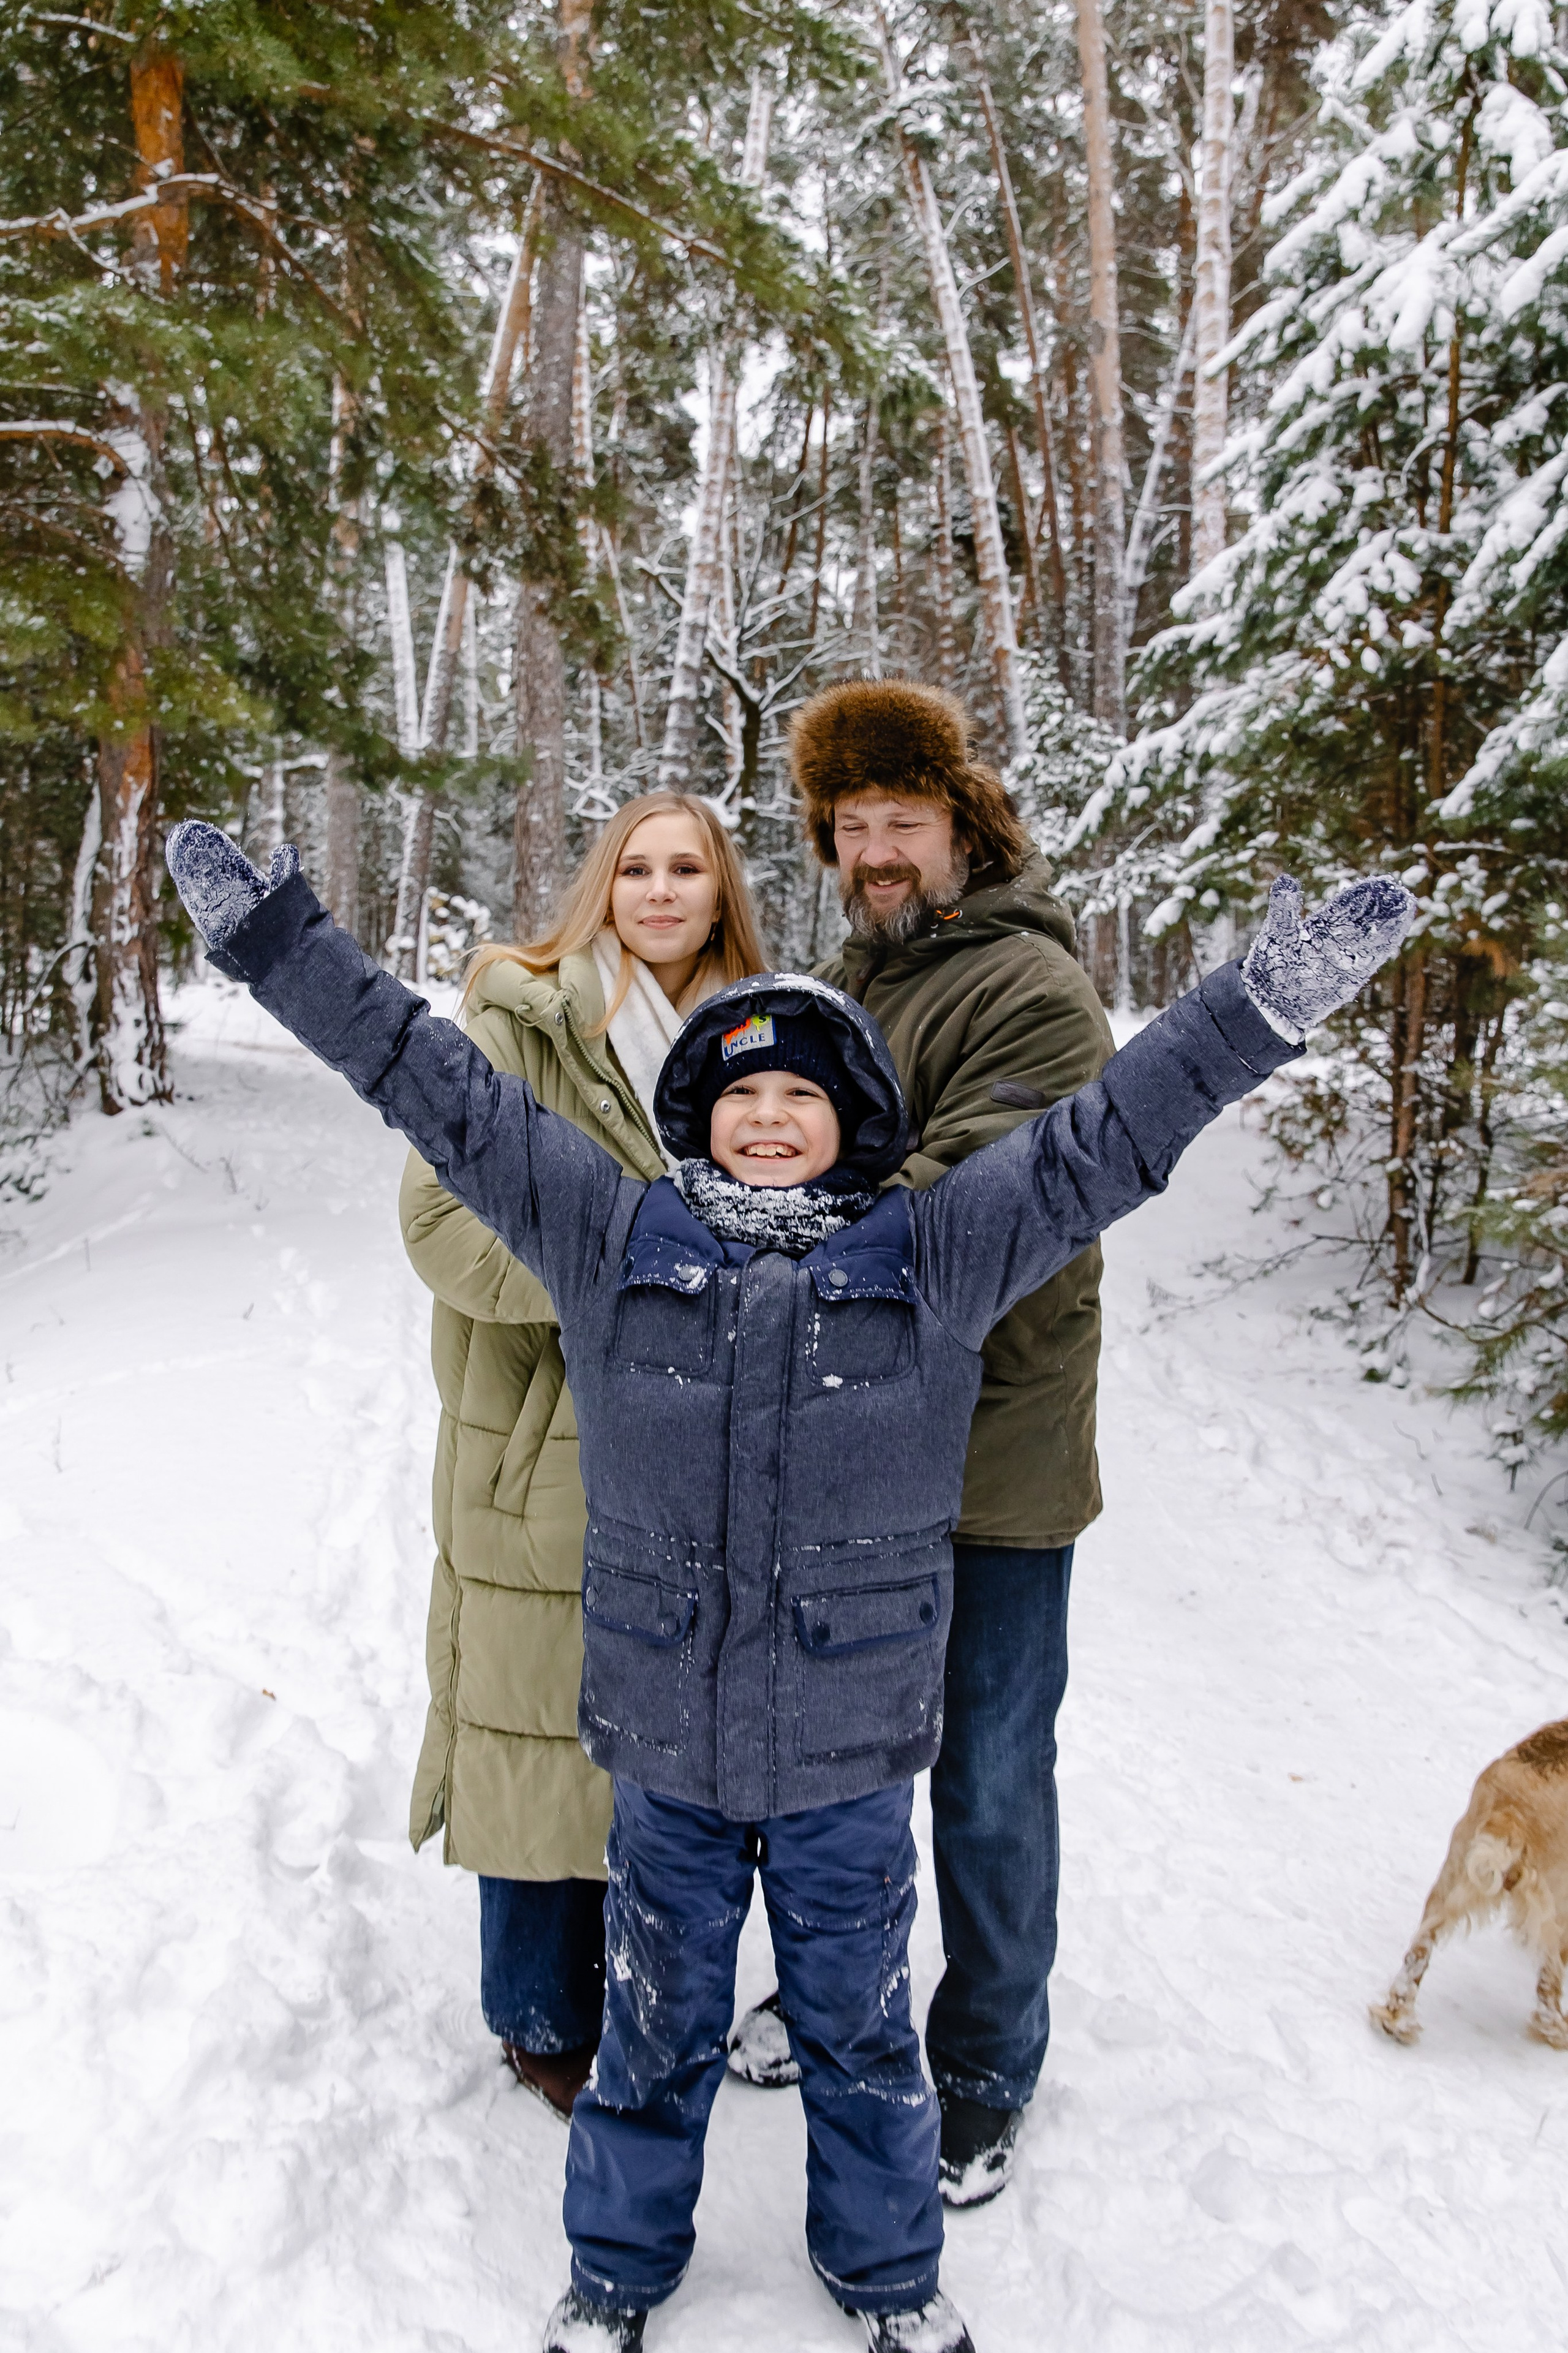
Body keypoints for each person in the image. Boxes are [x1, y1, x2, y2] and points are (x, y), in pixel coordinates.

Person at [163, 814, 1412, 2353]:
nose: (767, 1115)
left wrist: (1257, 1005)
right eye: (740, 1089)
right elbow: (441, 1090)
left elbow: (1108, 1139)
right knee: (654, 2028)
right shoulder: (612, 1233)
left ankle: (886, 2279)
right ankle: (615, 2275)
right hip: (665, 1743)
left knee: (858, 2032)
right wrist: (281, 943)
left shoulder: (937, 1253)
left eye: (801, 1095)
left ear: (857, 1122)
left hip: (844, 1753)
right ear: (697, 1111)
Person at [728, 677, 1118, 2205]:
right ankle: (838, 2001)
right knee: (850, 1766)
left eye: (901, 821)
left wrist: (772, 1234)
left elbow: (973, 1203)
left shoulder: (1030, 990)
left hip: (997, 1460)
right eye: (850, 827)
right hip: (860, 1452)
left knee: (990, 1773)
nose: (875, 851)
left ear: (963, 823)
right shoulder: (862, 976)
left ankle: (983, 2056)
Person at [399, 794, 766, 2118]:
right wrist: (627, 1281)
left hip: (704, 1443)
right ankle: (538, 2010)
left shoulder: (762, 1036)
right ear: (598, 886)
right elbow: (441, 1224)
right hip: (547, 1434)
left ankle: (650, 1986)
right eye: (635, 867)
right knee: (537, 1713)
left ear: (722, 892)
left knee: (660, 1737)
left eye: (687, 869)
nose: (659, 891)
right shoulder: (520, 1020)